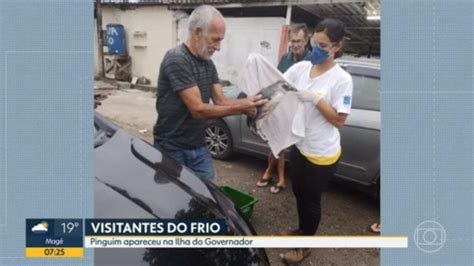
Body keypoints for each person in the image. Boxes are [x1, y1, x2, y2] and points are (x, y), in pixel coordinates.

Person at [153, 5, 266, 181]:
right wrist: (241, 108)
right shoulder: (176, 59)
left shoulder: (207, 63)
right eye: (215, 39)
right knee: (171, 200)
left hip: (198, 145)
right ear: (197, 33)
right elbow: (197, 110)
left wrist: (251, 102)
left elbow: (221, 101)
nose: (218, 47)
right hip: (171, 147)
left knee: (207, 196)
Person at [279, 18, 353, 264]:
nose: (317, 50)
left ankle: (304, 245)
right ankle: (301, 231)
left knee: (311, 201)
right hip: (301, 145)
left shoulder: (341, 79)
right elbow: (278, 82)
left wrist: (317, 100)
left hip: (322, 153)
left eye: (323, 46)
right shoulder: (301, 68)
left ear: (336, 46)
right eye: (315, 43)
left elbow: (339, 120)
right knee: (299, 192)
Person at [257, 23, 312, 194]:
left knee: (291, 146)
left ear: (307, 40)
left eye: (299, 41)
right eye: (293, 41)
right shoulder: (285, 59)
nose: (295, 45)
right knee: (277, 141)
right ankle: (279, 179)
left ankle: (274, 175)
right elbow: (277, 81)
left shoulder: (311, 61)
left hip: (301, 111)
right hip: (283, 106)